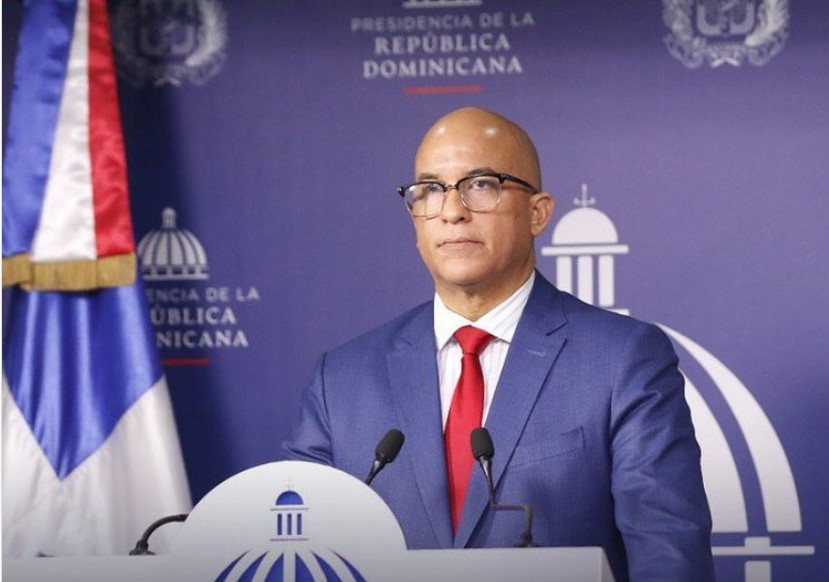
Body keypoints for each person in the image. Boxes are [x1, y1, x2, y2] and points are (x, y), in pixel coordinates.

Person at [281, 107, 715, 581]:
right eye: (430, 189)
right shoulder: (342, 380)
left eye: (481, 184)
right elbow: (291, 551)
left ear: (537, 213)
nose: (452, 211)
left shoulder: (621, 360)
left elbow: (669, 557)